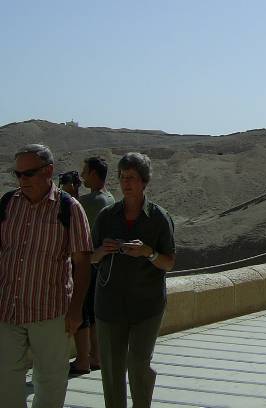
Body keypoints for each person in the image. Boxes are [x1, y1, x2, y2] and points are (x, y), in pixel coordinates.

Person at [0, 144, 92, 408]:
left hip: (50, 312)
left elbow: (82, 263)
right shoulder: (8, 204)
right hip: (8, 309)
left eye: (28, 173)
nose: (22, 180)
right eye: (17, 174)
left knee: (50, 381)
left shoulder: (69, 208)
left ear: (48, 171)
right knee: (6, 378)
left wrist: (76, 311)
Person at [91, 152, 176, 408]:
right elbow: (90, 258)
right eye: (122, 177)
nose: (125, 183)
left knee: (138, 364)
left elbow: (169, 262)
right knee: (112, 370)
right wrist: (103, 250)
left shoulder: (159, 218)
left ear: (144, 181)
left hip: (146, 306)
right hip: (109, 306)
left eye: (131, 178)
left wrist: (148, 252)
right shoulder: (106, 216)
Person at [70, 157, 115, 376]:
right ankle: (96, 356)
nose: (82, 176)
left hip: (87, 263)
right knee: (94, 312)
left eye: (85, 171)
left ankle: (82, 360)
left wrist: (70, 194)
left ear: (94, 173)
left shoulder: (92, 201)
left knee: (81, 309)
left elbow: (70, 212)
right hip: (101, 264)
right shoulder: (109, 198)